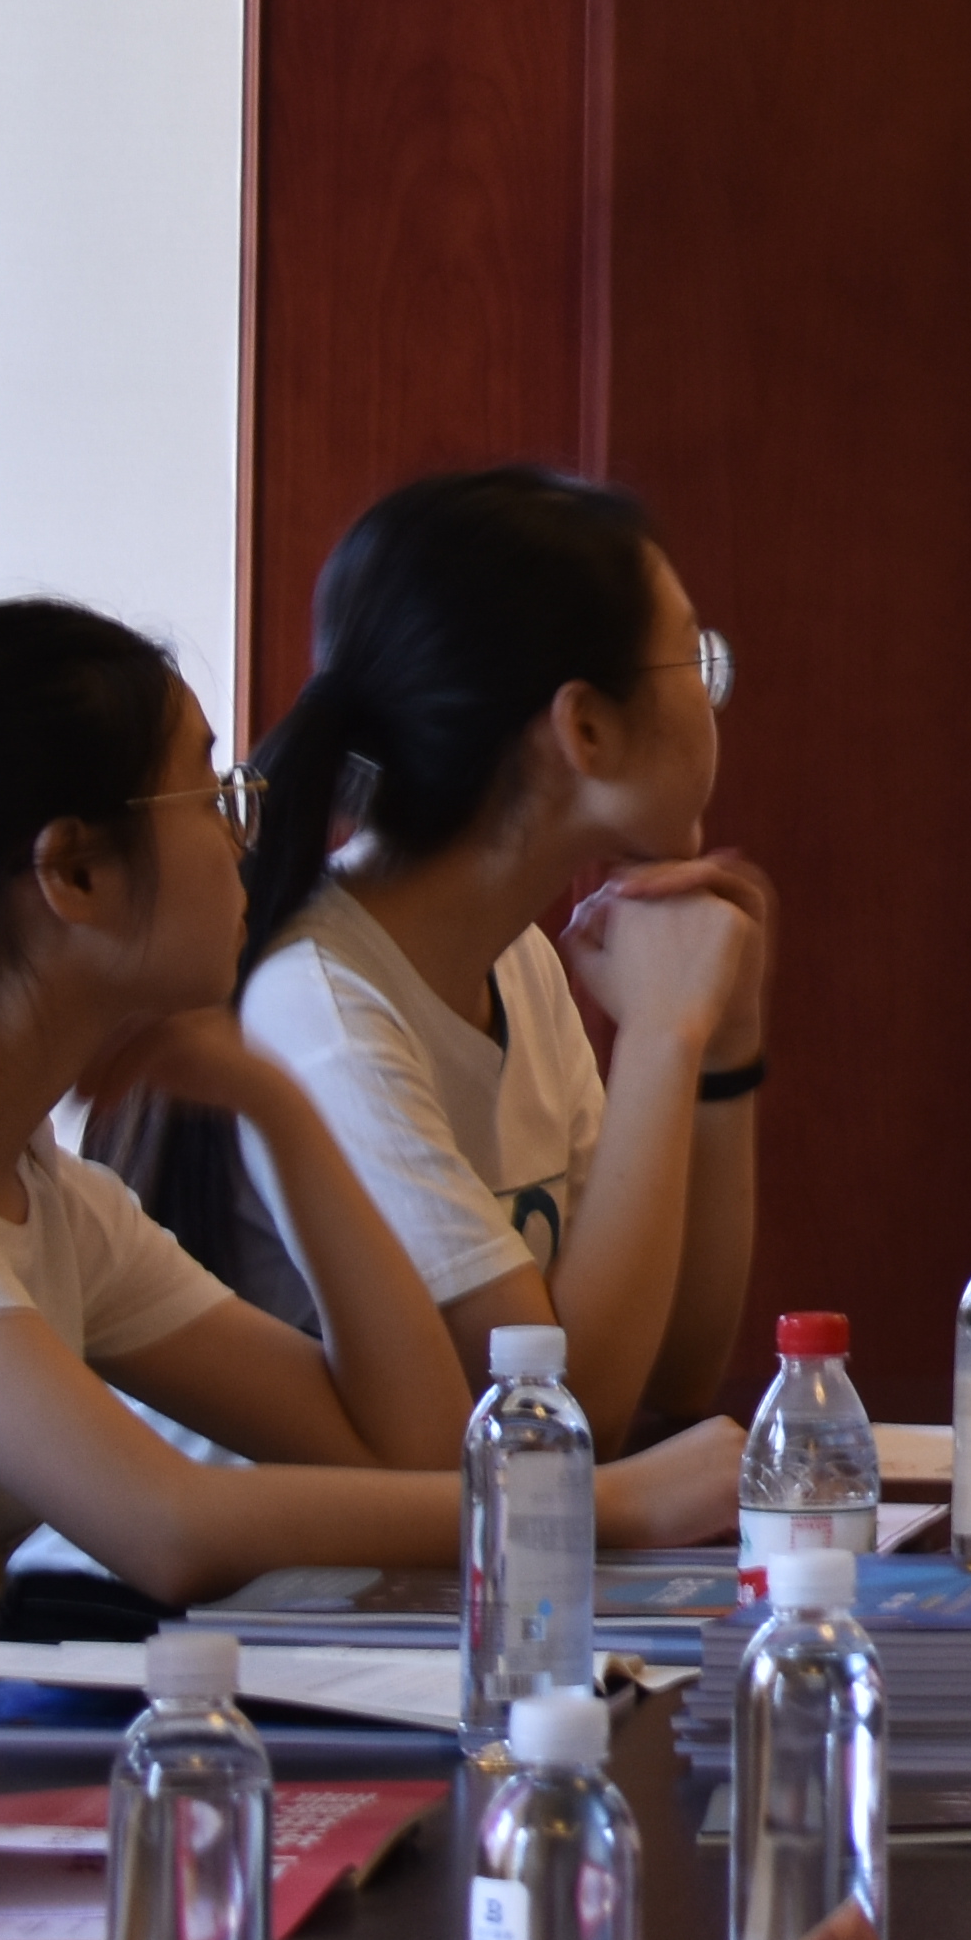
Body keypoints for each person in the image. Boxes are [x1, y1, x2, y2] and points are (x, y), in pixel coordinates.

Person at [0, 597, 742, 1623]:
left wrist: (277, 1108)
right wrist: (599, 1506)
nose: (244, 837)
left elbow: (413, 1449)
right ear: (74, 871)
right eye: (211, 795)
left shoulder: (53, 1203)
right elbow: (166, 1526)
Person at [223, 468, 770, 1435]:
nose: (711, 694)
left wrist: (722, 1053)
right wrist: (660, 1035)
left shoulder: (516, 962)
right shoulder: (324, 1009)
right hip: (310, 1543)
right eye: (692, 658)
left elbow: (674, 1375)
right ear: (585, 728)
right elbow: (558, 1420)